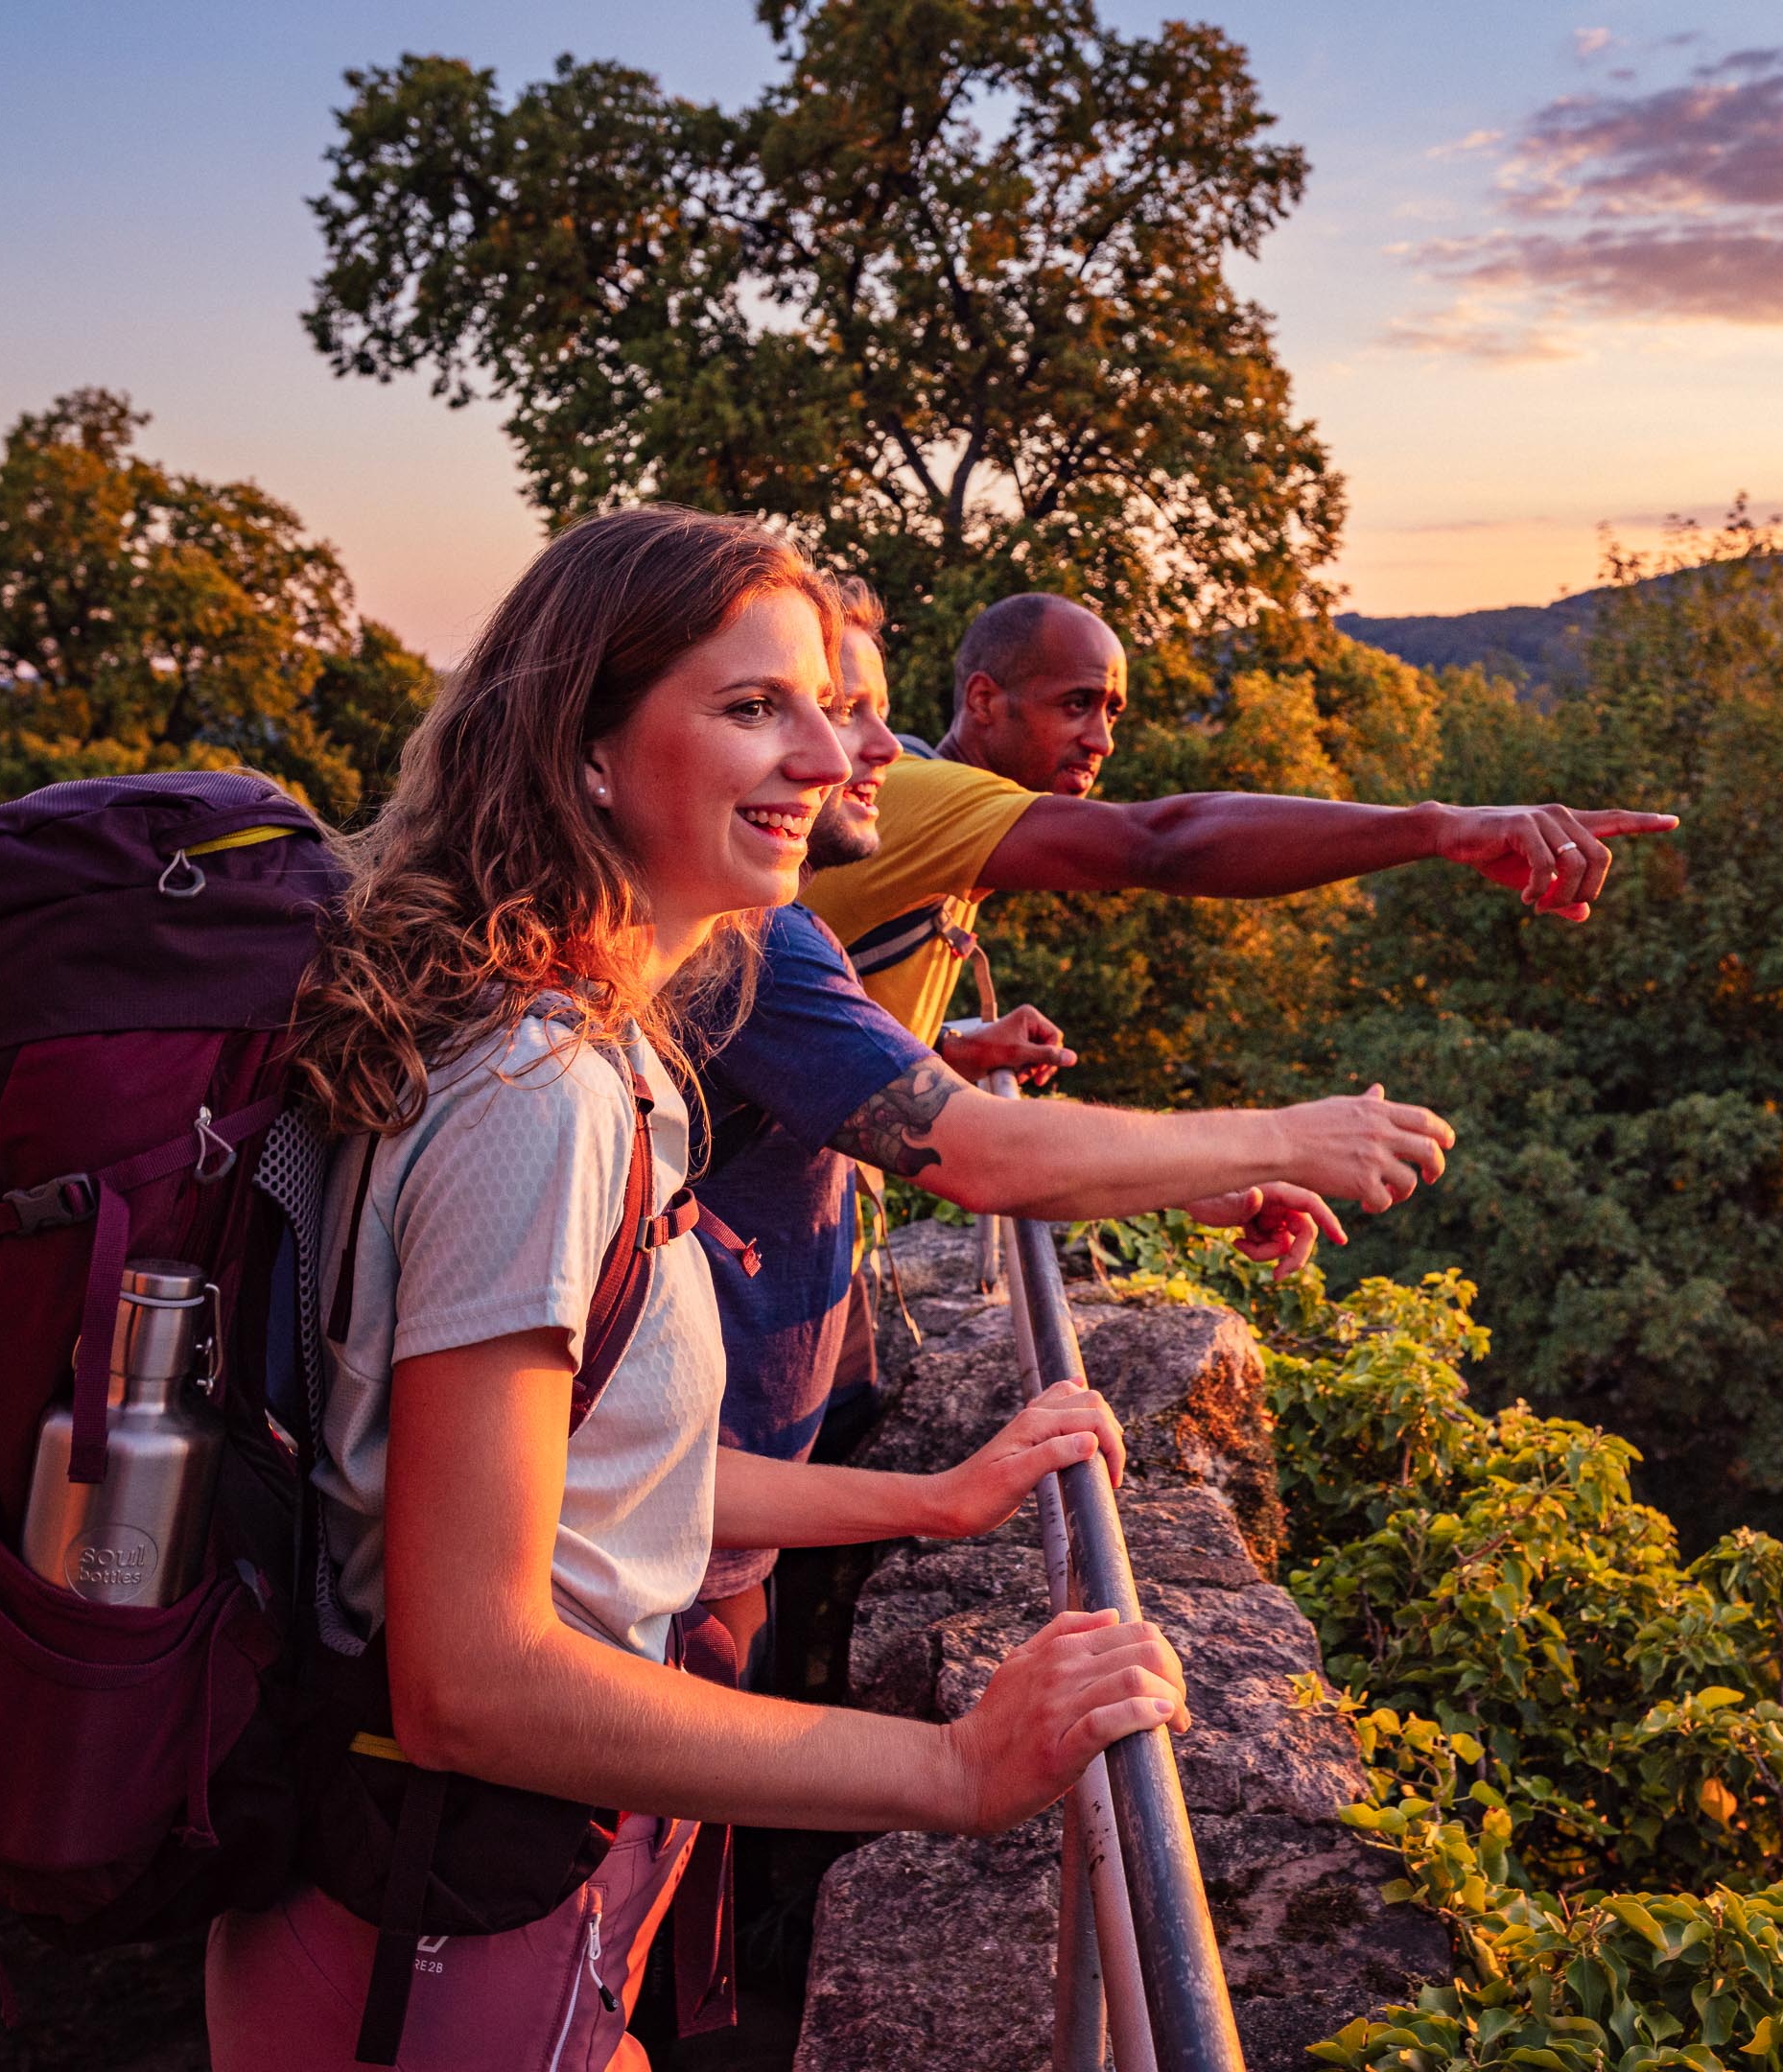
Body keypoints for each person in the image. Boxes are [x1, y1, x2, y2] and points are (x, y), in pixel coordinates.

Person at [210, 509, 1185, 2072]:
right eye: (754, 708)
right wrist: (950, 1768)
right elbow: (470, 1680)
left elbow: (601, 1479)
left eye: (824, 705)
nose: (829, 755)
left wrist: (940, 1505)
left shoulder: (585, 1039)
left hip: (457, 1882)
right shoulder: (536, 1089)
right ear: (585, 752)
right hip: (441, 1895)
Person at [686, 581, 1458, 1671]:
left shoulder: (761, 930)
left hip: (738, 1410)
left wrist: (950, 1048)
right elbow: (981, 1148)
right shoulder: (762, 933)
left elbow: (835, 1073)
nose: (851, 752)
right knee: (664, 1775)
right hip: (703, 1433)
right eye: (785, 710)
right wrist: (1285, 1135)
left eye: (852, 712)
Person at [802, 590, 1683, 1057]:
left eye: (1112, 710)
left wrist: (955, 1049)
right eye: (1077, 704)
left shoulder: (936, 828)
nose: (1101, 738)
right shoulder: (919, 798)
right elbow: (1163, 843)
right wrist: (1438, 828)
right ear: (984, 702)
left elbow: (816, 1036)